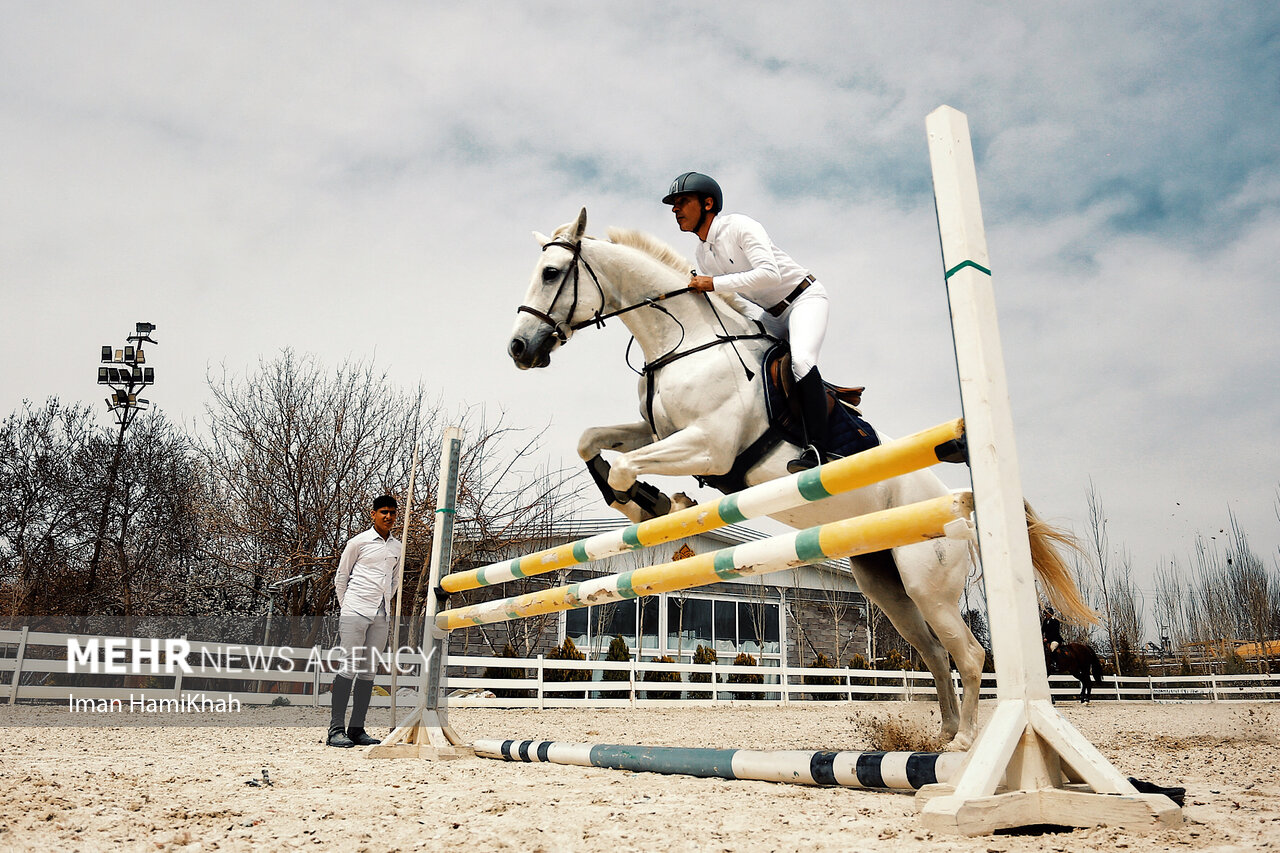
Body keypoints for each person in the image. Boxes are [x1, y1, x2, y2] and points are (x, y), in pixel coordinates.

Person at [663, 171, 831, 472]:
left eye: (682, 201)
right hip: (771, 315)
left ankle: (818, 448)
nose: (675, 209)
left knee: (802, 362)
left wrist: (711, 283)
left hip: (804, 299)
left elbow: (769, 274)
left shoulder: (739, 226)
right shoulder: (702, 252)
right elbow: (734, 299)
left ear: (708, 203)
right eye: (673, 204)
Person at [327, 495, 400, 748]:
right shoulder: (358, 542)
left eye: (392, 512)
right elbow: (341, 577)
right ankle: (335, 730)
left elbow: (394, 582)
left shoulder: (397, 548)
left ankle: (357, 729)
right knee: (348, 667)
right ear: (373, 514)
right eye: (383, 512)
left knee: (369, 672)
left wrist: (385, 606)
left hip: (381, 615)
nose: (388, 516)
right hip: (355, 610)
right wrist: (347, 607)